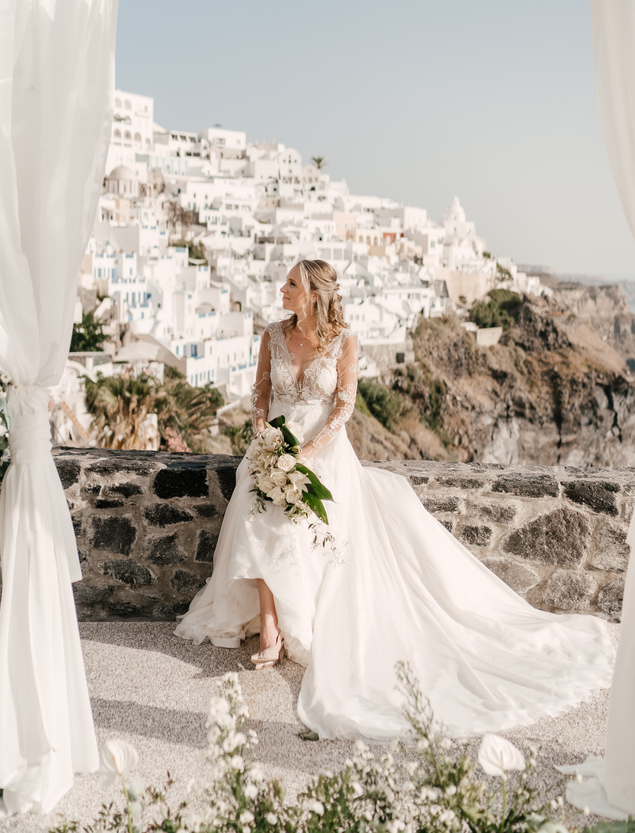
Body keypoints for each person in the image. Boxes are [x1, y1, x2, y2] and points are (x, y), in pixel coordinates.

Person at [175, 259, 615, 740]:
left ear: (314, 295)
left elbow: (344, 405)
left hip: (322, 451)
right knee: (257, 511)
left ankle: (279, 623)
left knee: (286, 520)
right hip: (272, 446)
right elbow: (260, 393)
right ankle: (270, 623)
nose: (282, 288)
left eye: (291, 283)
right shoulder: (272, 336)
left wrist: (307, 452)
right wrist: (264, 436)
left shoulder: (344, 340)